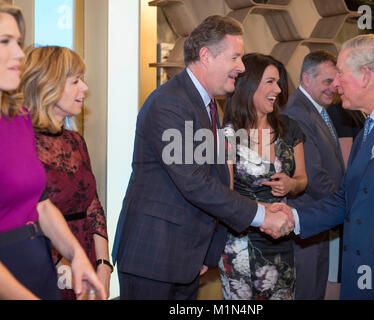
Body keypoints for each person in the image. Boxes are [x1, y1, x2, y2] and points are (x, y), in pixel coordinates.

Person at [112, 15, 292, 300]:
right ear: (206, 56)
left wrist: (206, 250)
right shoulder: (171, 102)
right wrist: (260, 216)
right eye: (235, 57)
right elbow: (194, 182)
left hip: (184, 256)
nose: (242, 67)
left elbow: (216, 179)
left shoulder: (205, 106)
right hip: (154, 256)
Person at [286, 34, 374, 299]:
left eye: (341, 73)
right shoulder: (369, 126)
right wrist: (292, 218)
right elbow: (348, 199)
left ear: (365, 75)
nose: (336, 83)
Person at [0, 1, 105, 300]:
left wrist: (79, 255)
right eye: (5, 42)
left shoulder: (17, 117)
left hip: (37, 264)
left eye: (18, 43)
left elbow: (42, 205)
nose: (20, 54)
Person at [19, 46, 112, 300]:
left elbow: (93, 204)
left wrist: (104, 264)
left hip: (86, 256)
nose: (85, 88)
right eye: (76, 81)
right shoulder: (21, 143)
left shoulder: (76, 141)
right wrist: (62, 261)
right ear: (48, 86)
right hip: (43, 261)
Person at [218, 53, 307, 300]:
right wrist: (263, 210)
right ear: (249, 86)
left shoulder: (289, 129)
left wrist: (291, 185)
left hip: (281, 240)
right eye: (270, 82)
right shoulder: (227, 135)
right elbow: (224, 194)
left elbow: (302, 180)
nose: (278, 89)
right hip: (240, 242)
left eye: (278, 82)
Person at [282, 50, 345, 300]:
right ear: (307, 79)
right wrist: (343, 206)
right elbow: (313, 175)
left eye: (336, 81)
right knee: (307, 291)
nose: (334, 88)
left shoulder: (316, 108)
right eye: (327, 81)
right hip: (309, 219)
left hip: (319, 220)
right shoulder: (297, 112)